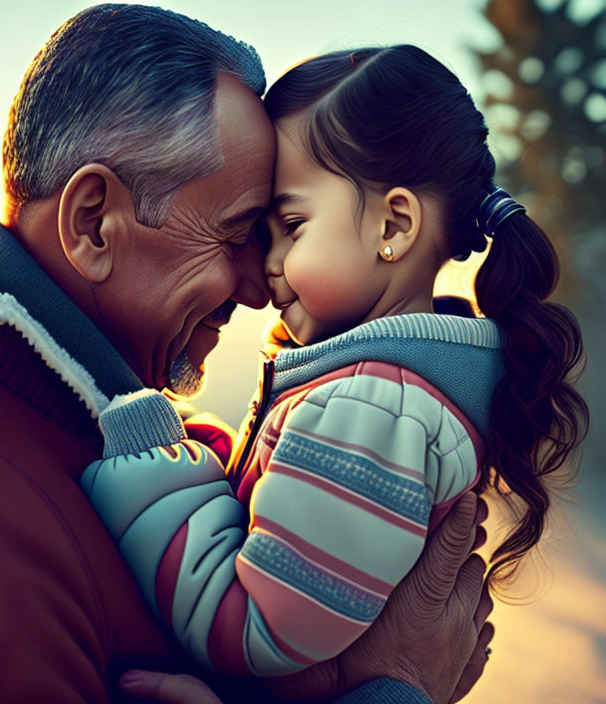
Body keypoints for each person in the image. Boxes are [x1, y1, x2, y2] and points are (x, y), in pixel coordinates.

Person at [0, 9, 493, 702]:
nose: (258, 291)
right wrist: (396, 687)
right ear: (94, 223)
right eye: (235, 236)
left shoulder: (38, 419)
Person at [79, 43, 588, 685]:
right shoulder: (386, 393)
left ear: (394, 226)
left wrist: (146, 473)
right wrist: (217, 463)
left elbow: (257, 629)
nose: (265, 268)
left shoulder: (371, 409)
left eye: (292, 225)